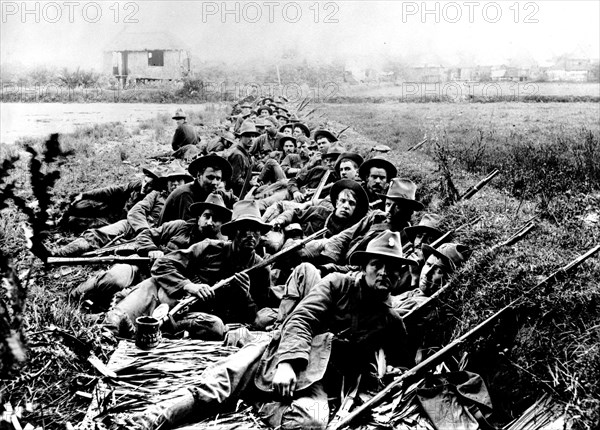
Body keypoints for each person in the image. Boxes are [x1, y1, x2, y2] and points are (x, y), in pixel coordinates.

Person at [122, 230, 414, 430]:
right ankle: (148, 421)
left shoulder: (389, 319)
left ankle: (261, 403)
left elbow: (403, 358)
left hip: (315, 381)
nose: (385, 273)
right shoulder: (337, 283)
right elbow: (302, 319)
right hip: (275, 352)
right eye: (378, 264)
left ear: (401, 275)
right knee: (216, 387)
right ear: (365, 267)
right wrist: (287, 363)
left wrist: (393, 370)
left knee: (311, 423)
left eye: (393, 268)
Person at [103, 200, 274, 340]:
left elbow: (256, 317)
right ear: (234, 232)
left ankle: (159, 331)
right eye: (245, 230)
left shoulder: (261, 269)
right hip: (170, 297)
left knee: (215, 327)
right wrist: (189, 286)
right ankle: (116, 326)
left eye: (256, 230)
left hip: (196, 317)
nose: (251, 235)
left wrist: (245, 296)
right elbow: (162, 264)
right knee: (116, 322)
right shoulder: (209, 248)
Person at [70, 193, 232, 311]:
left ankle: (102, 313)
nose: (210, 222)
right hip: (141, 266)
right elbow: (145, 235)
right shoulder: (179, 227)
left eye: (216, 219)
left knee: (134, 306)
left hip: (165, 285)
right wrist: (152, 250)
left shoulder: (218, 249)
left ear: (222, 224)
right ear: (199, 217)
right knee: (114, 279)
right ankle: (76, 295)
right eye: (206, 216)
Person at [52, 166, 193, 257]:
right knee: (98, 234)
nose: (175, 184)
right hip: (134, 226)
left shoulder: (187, 201)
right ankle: (57, 254)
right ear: (166, 182)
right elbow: (136, 211)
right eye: (171, 181)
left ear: (185, 183)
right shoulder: (156, 194)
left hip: (158, 236)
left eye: (179, 181)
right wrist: (144, 230)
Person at [58, 167, 158, 232]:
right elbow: (114, 190)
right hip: (110, 209)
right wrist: (84, 195)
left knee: (74, 222)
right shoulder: (138, 184)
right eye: (145, 181)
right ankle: (59, 218)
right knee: (78, 205)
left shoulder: (153, 198)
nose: (144, 186)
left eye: (149, 185)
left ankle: (59, 224)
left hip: (117, 222)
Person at [158, 154, 237, 225]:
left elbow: (233, 199)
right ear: (199, 176)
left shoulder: (212, 191)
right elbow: (190, 226)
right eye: (210, 177)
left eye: (218, 178)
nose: (214, 182)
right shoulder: (185, 195)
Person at [229, 121, 259, 196]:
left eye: (253, 136)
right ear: (241, 137)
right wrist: (251, 184)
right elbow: (236, 180)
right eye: (248, 136)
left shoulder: (245, 153)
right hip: (238, 194)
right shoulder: (238, 155)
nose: (251, 139)